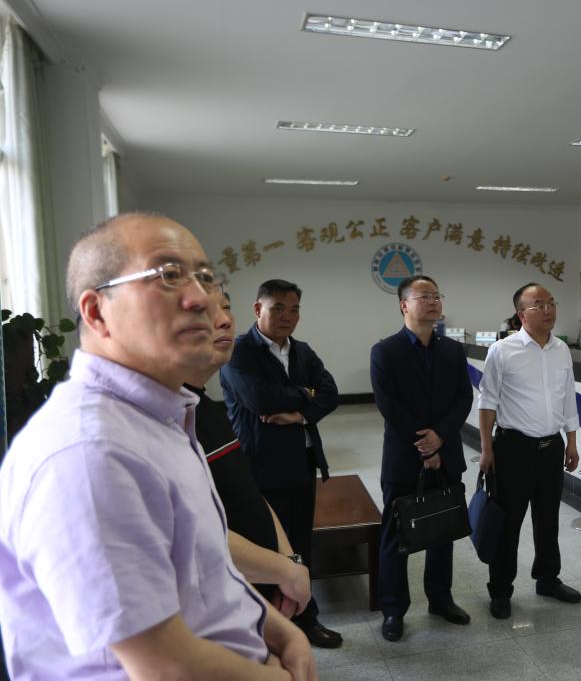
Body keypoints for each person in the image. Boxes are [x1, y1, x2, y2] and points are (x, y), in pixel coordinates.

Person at [0, 212, 314, 679]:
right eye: (168, 275)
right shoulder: (89, 453)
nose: (201, 298)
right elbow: (163, 665)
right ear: (96, 312)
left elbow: (205, 566)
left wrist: (280, 631)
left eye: (205, 277)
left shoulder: (164, 419)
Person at [220, 279, 342, 648]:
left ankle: (306, 618)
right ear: (258, 309)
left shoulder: (302, 351)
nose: (288, 317)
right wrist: (305, 393)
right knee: (265, 549)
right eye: (278, 309)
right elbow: (260, 399)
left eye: (294, 310)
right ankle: (266, 628)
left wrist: (299, 413)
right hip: (260, 467)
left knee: (300, 541)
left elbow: (330, 392)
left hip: (301, 463)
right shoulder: (240, 352)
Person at [184, 292, 311, 619]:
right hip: (221, 607)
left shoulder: (205, 410)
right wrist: (285, 572)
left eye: (226, 308)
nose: (225, 320)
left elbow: (250, 496)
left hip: (260, 597)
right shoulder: (162, 422)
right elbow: (189, 534)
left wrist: (290, 562)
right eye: (204, 311)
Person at [369, 275, 474, 642]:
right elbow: (389, 405)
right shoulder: (385, 351)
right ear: (404, 305)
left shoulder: (453, 351)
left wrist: (440, 438)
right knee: (395, 534)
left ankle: (441, 599)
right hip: (403, 456)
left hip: (447, 454)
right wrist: (424, 445)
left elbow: (463, 398)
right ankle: (393, 609)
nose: (433, 301)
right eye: (424, 296)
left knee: (443, 528)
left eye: (436, 295)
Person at [478, 282, 581, 620]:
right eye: (539, 304)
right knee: (508, 522)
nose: (549, 309)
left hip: (551, 447)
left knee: (548, 517)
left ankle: (548, 579)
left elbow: (568, 397)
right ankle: (501, 590)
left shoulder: (561, 350)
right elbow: (487, 402)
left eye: (551, 302)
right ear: (522, 314)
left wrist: (572, 441)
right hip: (513, 448)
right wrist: (486, 449)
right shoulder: (502, 350)